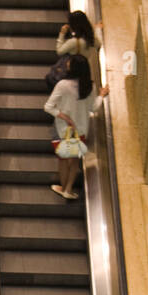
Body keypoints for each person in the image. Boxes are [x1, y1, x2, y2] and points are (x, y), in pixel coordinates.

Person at [44, 53, 106, 200]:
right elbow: (93, 108)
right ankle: (68, 189)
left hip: (62, 130)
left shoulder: (63, 85)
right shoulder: (89, 87)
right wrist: (102, 96)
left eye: (69, 63)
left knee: (63, 160)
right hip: (81, 131)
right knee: (74, 162)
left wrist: (64, 116)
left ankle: (63, 187)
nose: (67, 64)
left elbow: (48, 107)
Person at [54, 11, 104, 89]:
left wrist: (62, 34)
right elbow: (99, 43)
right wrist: (98, 29)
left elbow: (59, 51)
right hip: (85, 70)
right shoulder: (89, 39)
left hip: (72, 71)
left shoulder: (73, 42)